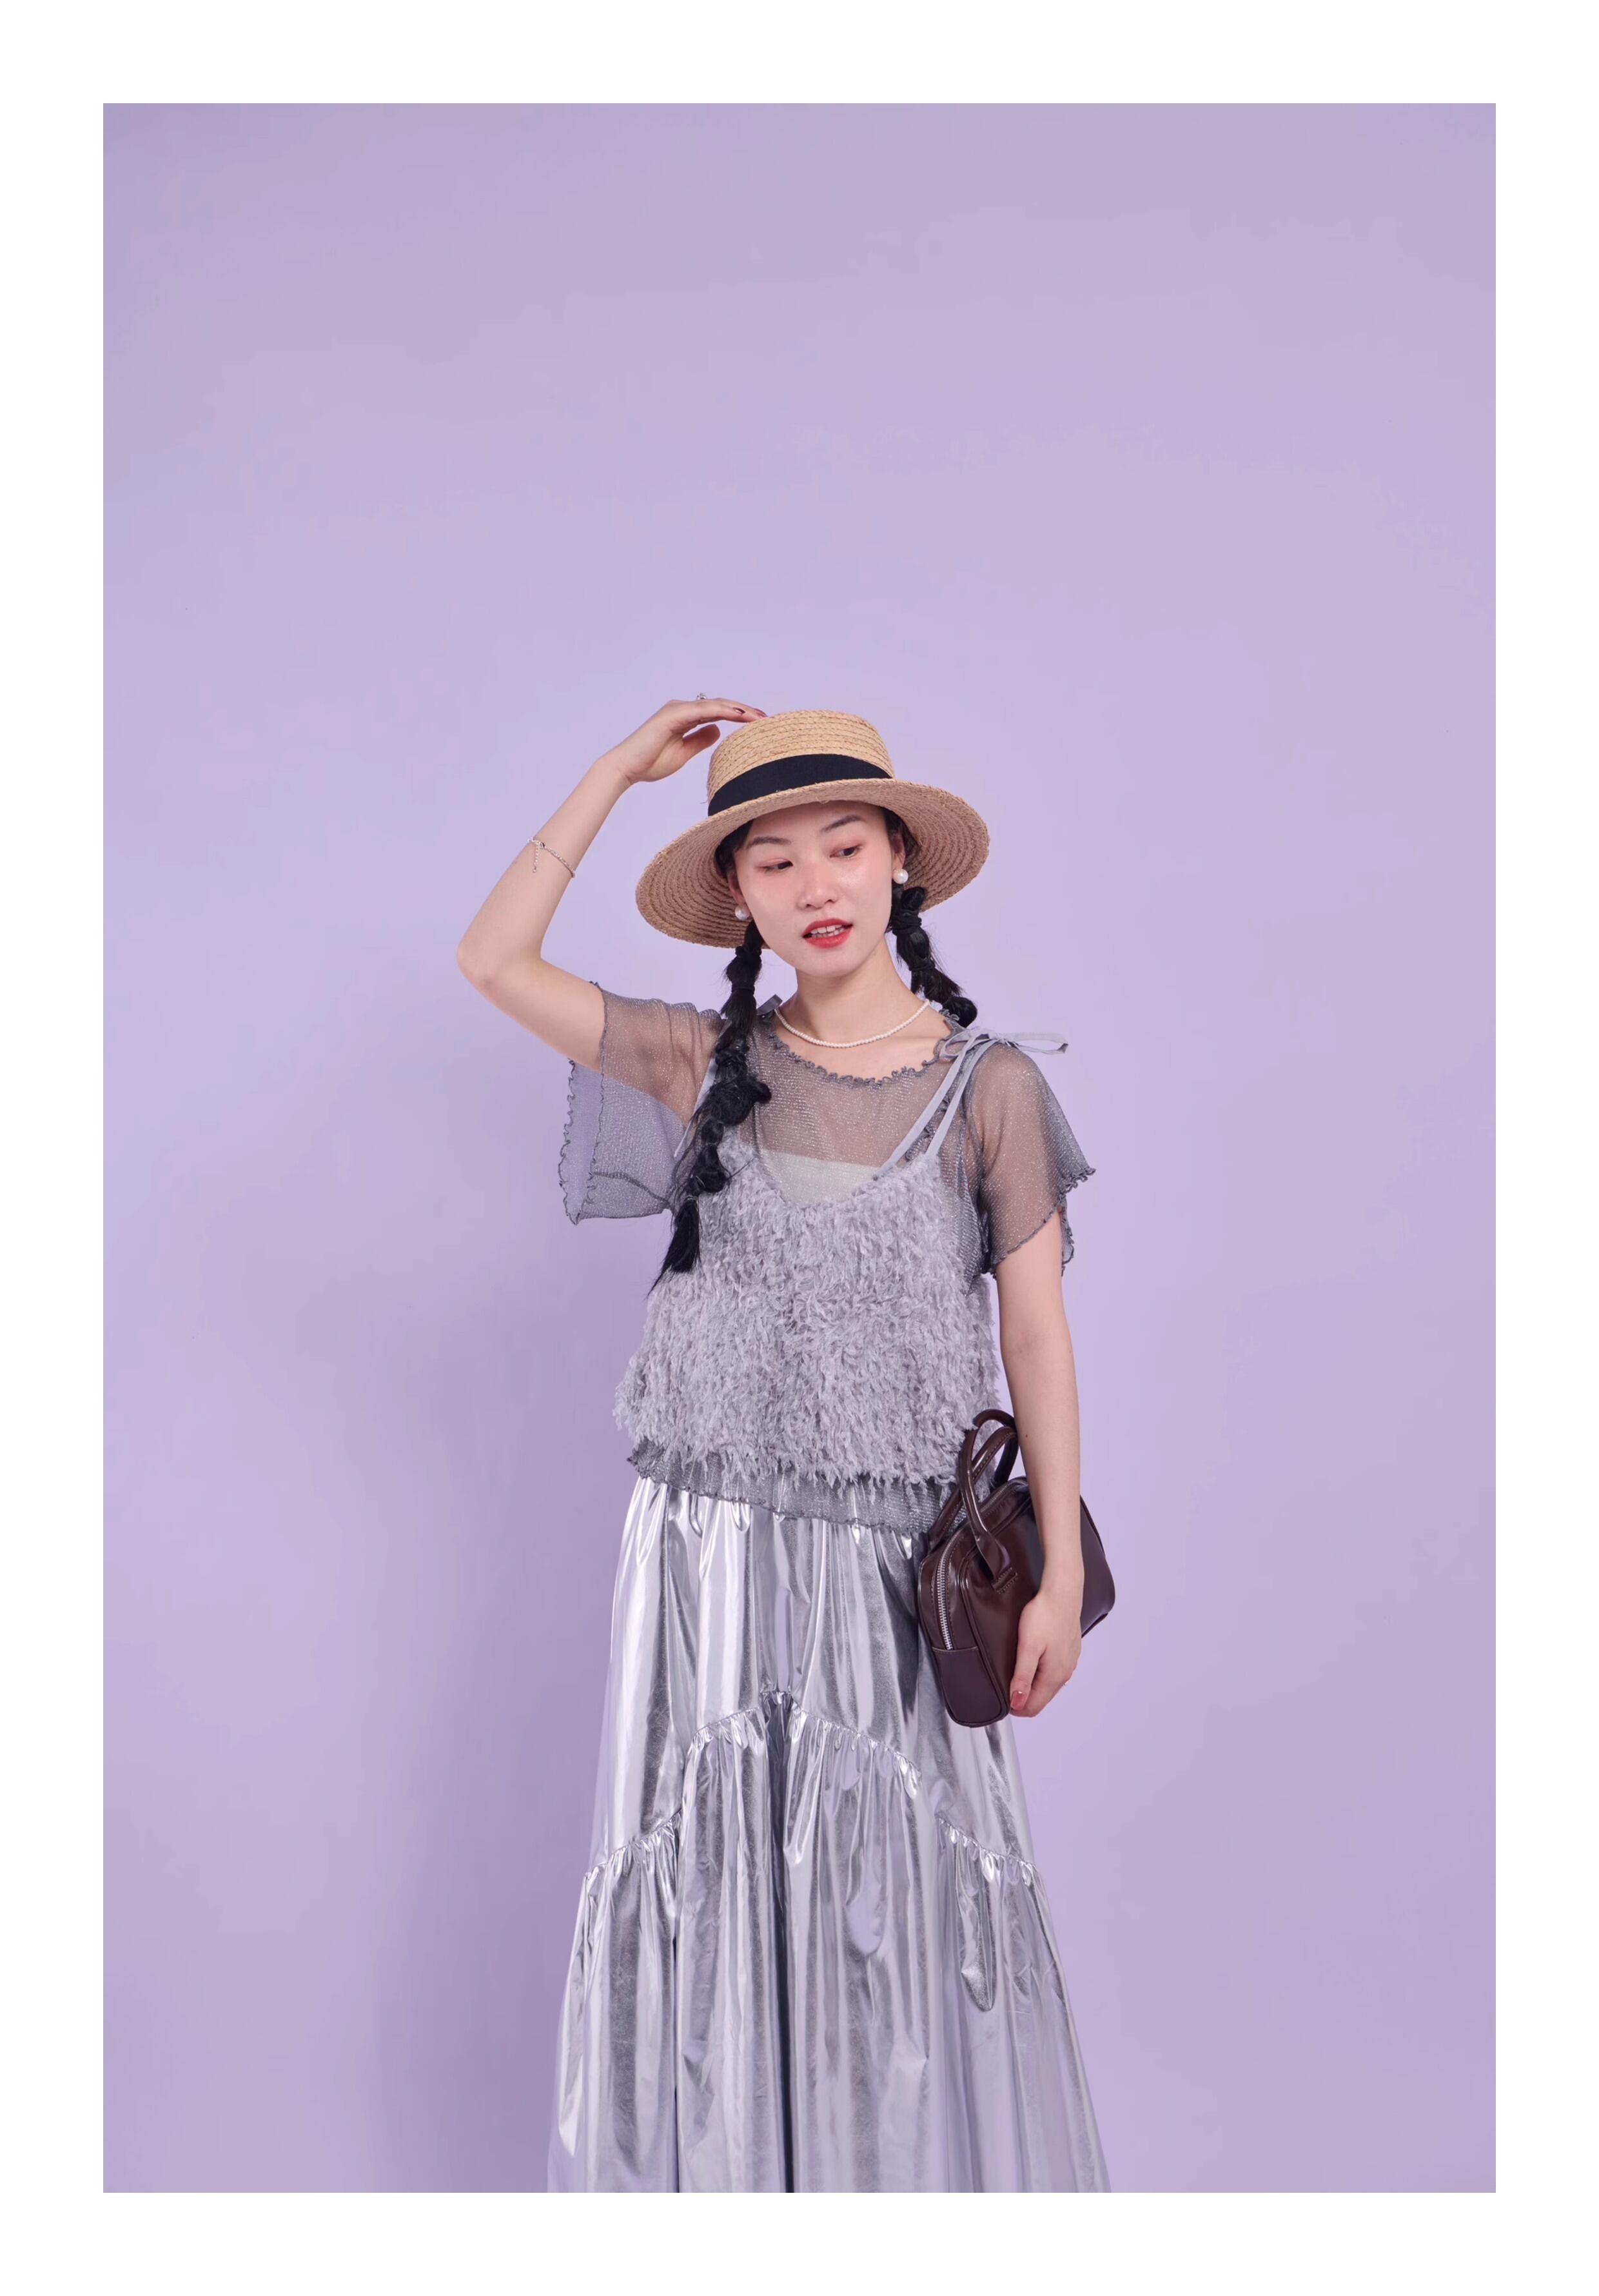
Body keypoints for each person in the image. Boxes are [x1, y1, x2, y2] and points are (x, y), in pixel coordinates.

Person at [457, 700, 1111, 2193]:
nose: (816, 884)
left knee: (901, 1909)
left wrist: (1061, 1576)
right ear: (736, 896)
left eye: (845, 846)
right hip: (703, 1556)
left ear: (900, 864)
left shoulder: (994, 1087)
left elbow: (1036, 1342)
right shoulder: (702, 1062)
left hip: (894, 1574)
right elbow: (491, 962)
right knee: (701, 1885)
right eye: (773, 860)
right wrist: (612, 775)